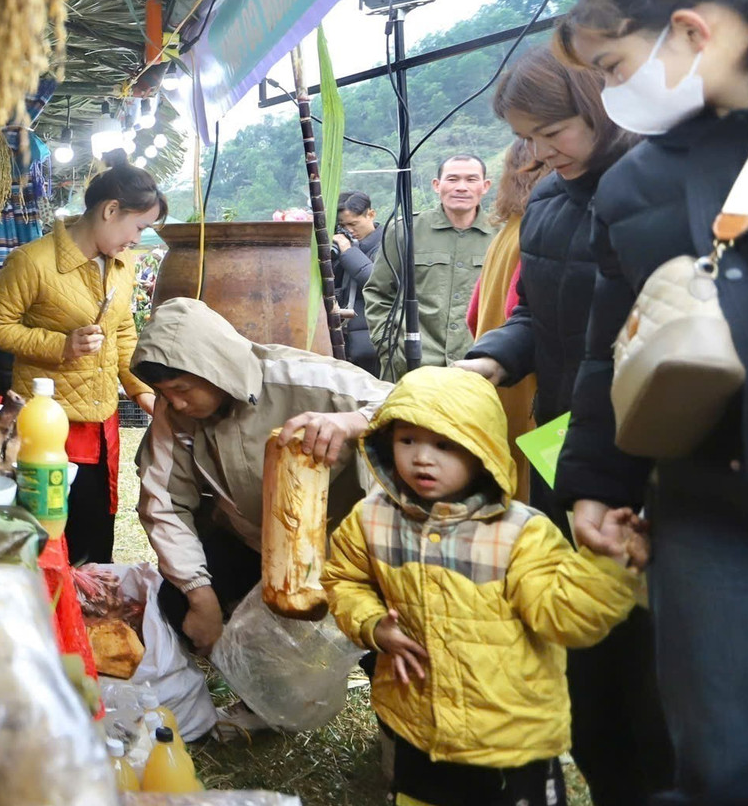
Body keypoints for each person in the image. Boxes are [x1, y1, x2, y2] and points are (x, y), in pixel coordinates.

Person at [553, 0, 748, 806]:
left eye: (612, 69)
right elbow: (612, 352)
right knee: (724, 759)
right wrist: (590, 484)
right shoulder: (634, 183)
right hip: (707, 502)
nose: (610, 98)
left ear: (688, 32)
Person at [446, 53, 667, 806]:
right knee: (583, 645)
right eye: (526, 140)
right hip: (565, 445)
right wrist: (490, 361)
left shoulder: (654, 189)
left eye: (552, 132)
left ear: (602, 102)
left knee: (652, 649)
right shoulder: (544, 202)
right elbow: (534, 315)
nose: (539, 152)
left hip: (644, 449)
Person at [323, 366, 639, 806]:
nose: (423, 458)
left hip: (512, 737)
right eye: (408, 440)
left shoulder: (523, 532)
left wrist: (606, 568)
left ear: (485, 449)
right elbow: (343, 579)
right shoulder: (371, 520)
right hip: (420, 724)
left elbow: (566, 615)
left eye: (446, 444)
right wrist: (373, 626)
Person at [132, 297, 391, 657]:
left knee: (381, 634)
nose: (175, 404)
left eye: (181, 390)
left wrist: (349, 423)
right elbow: (164, 502)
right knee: (178, 601)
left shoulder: (303, 378)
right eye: (164, 393)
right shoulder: (173, 416)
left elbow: (406, 402)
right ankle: (251, 682)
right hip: (256, 544)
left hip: (342, 549)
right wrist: (199, 593)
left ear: (214, 367)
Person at [0, 154, 166, 565]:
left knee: (98, 532)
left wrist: (142, 389)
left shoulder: (123, 264)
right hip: (49, 421)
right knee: (53, 536)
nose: (137, 239)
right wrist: (60, 345)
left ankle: (95, 620)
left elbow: (122, 332)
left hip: (102, 422)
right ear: (110, 210)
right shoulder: (33, 261)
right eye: (138, 227)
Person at [363, 154, 494, 377]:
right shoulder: (405, 231)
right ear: (436, 185)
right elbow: (378, 292)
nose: (461, 187)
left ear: (485, 186)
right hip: (411, 366)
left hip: (478, 365)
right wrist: (389, 347)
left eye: (471, 180)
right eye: (452, 179)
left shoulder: (501, 236)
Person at [466, 139, 543, 500]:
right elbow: (524, 313)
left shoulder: (504, 233)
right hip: (531, 394)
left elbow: (473, 315)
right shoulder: (540, 231)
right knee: (544, 512)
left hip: (493, 389)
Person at [331, 190, 384, 373]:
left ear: (371, 214)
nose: (350, 230)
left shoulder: (389, 243)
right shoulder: (337, 244)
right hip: (344, 343)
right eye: (343, 225)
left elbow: (377, 282)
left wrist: (348, 251)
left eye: (354, 224)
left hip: (374, 345)